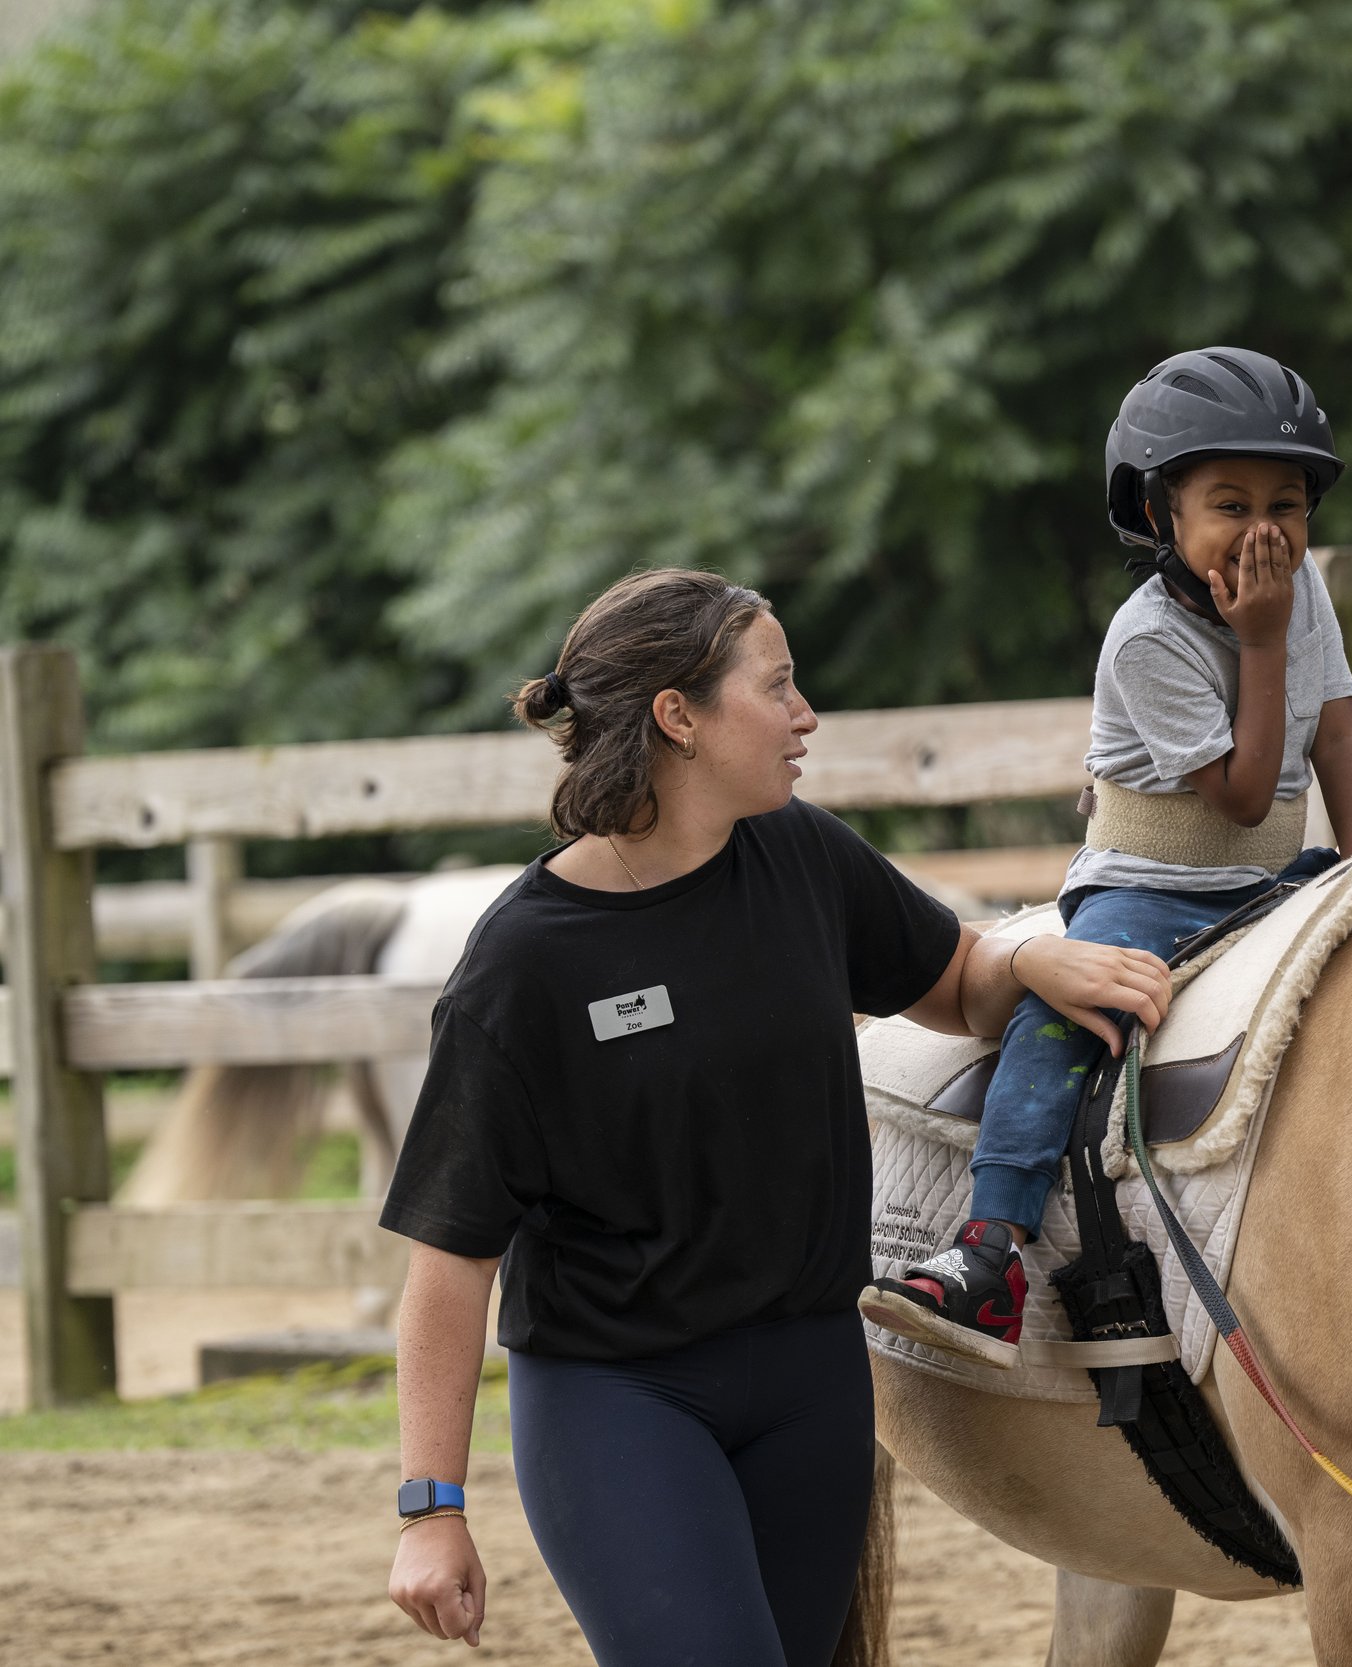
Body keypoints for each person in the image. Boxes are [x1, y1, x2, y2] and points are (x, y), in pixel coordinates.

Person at [381, 569, 1171, 1665]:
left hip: (811, 1381)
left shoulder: (801, 854)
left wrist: (1033, 958)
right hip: (623, 1392)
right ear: (679, 716)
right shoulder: (525, 964)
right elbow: (450, 1256)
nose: (806, 716)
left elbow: (955, 979)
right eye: (779, 685)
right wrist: (432, 1508)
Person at [859, 346, 1352, 1367]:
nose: (1266, 531)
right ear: (1158, 516)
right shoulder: (1147, 638)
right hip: (1151, 887)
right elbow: (1237, 799)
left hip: (1267, 878)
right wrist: (1264, 641)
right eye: (1229, 504)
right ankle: (988, 1246)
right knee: (1063, 1016)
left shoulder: (1300, 592)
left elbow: (1345, 739)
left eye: (1289, 503)